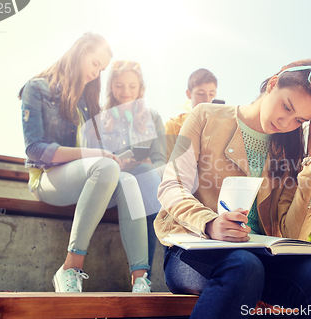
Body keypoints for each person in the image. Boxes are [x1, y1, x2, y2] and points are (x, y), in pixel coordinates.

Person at [155, 59, 311, 318]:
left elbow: (295, 232)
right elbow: (172, 185)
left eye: (299, 119)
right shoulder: (205, 116)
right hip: (192, 249)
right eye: (286, 106)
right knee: (244, 266)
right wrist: (210, 223)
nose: (286, 121)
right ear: (272, 84)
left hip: (261, 256)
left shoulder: (288, 150)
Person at [19, 33, 148, 293]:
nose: (96, 72)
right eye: (95, 63)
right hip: (48, 178)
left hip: (85, 180)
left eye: (101, 69)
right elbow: (35, 149)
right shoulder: (37, 88)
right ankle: (70, 266)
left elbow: (96, 157)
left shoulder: (88, 103)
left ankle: (140, 278)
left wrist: (112, 157)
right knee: (104, 165)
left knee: (129, 180)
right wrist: (92, 155)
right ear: (80, 52)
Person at [91, 60, 166, 290]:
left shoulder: (152, 117)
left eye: (132, 86)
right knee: (138, 181)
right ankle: (144, 277)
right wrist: (116, 163)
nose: (126, 92)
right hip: (114, 183)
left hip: (144, 185)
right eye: (119, 85)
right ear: (110, 86)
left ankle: (142, 279)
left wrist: (147, 165)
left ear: (140, 87)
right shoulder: (102, 118)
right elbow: (94, 159)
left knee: (145, 174)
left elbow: (161, 161)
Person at [164, 68, 217, 161]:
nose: (207, 100)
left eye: (211, 94)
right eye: (200, 93)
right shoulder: (173, 126)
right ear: (189, 94)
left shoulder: (224, 127)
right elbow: (166, 164)